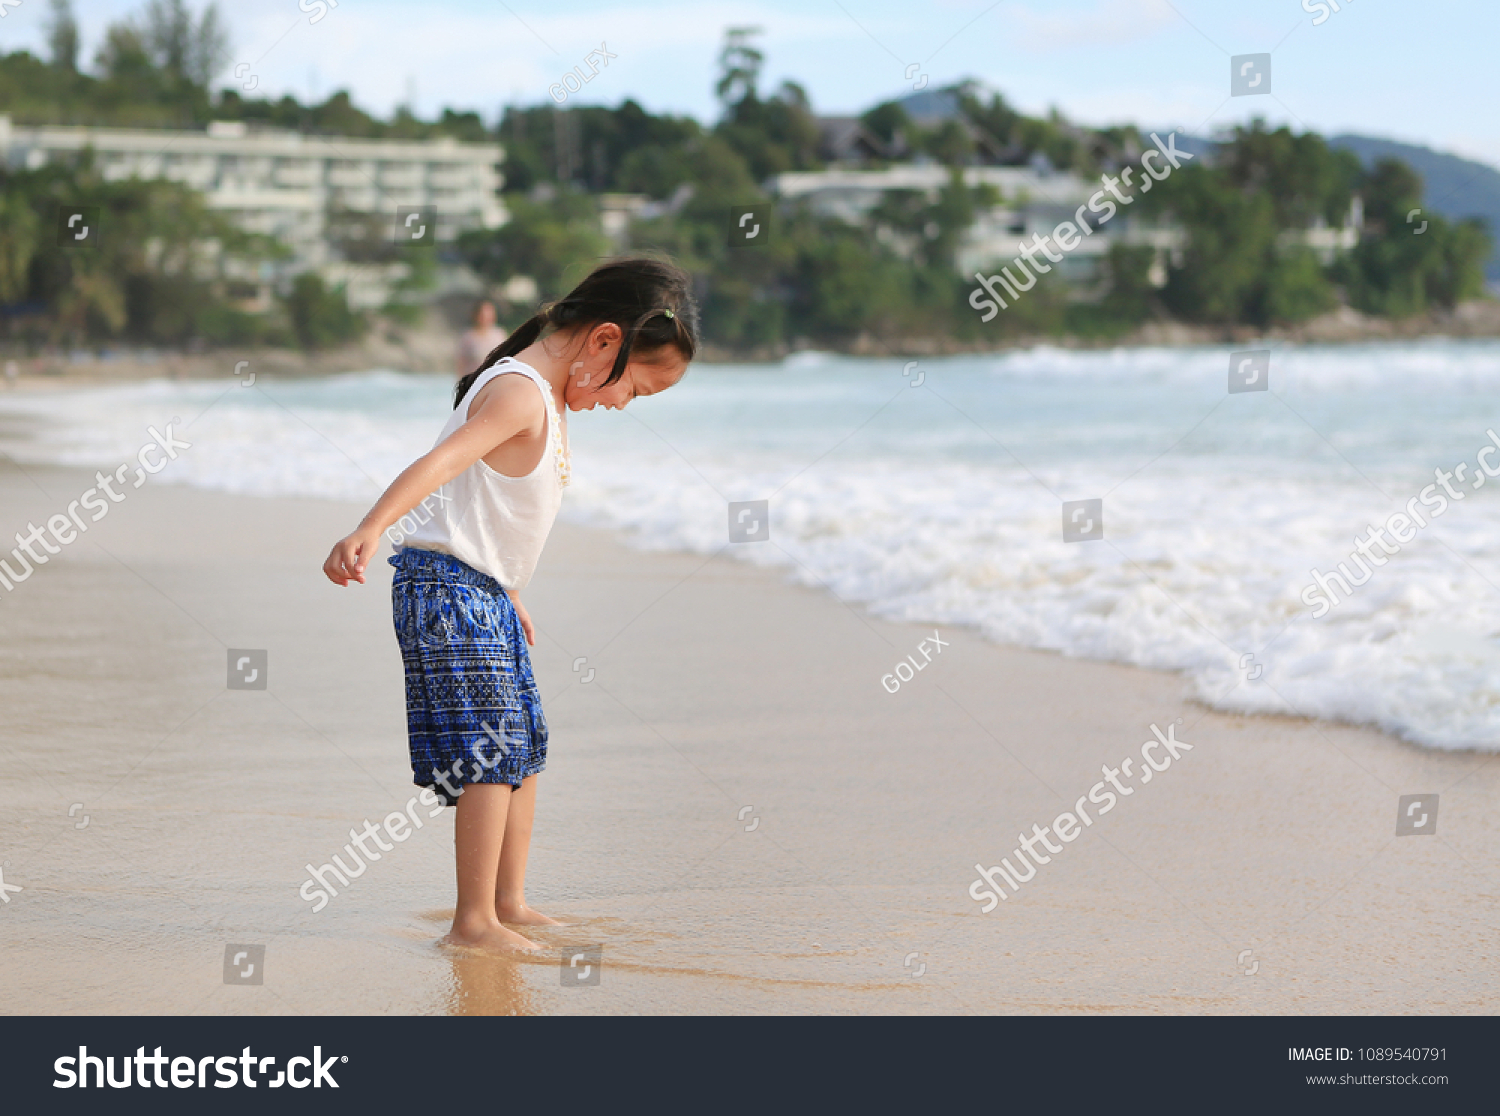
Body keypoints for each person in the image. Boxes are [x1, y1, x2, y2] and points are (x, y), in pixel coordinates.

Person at [322, 257, 699, 952]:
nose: (623, 407)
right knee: (489, 754)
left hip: (483, 590)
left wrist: (511, 589)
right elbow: (443, 464)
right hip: (446, 587)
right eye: (635, 393)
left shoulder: (547, 398)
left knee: (523, 747)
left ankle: (509, 901)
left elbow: (492, 509)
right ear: (604, 342)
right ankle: (473, 923)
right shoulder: (523, 393)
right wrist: (370, 528)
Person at [456, 299, 507, 377]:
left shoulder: (499, 335)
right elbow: (461, 363)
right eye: (483, 314)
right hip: (474, 379)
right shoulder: (468, 337)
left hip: (494, 378)